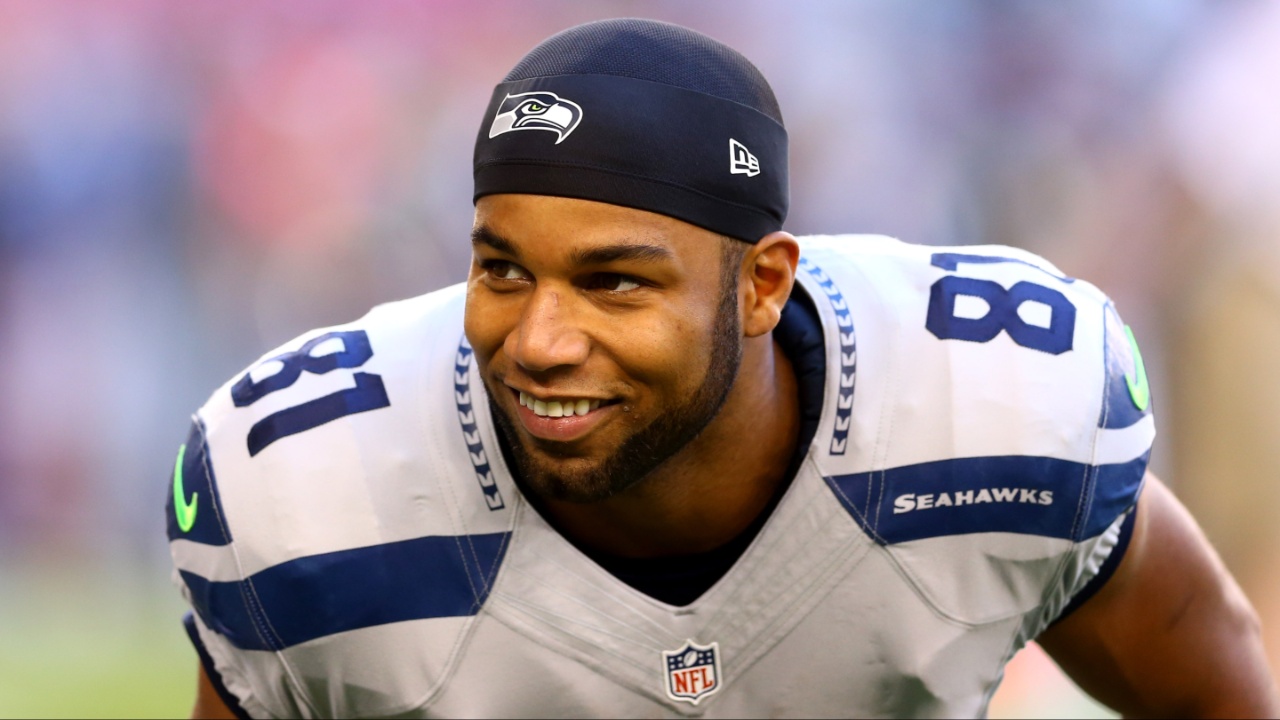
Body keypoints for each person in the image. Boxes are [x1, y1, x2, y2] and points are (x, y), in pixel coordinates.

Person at [167, 18, 1279, 719]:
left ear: (761, 287)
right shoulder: (311, 489)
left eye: (615, 283)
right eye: (502, 269)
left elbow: (1212, 687)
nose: (540, 338)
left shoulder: (988, 407)